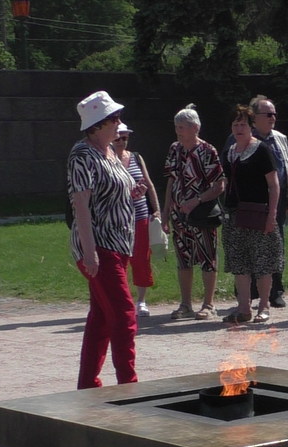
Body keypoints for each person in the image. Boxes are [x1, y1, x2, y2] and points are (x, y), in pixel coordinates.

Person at [68, 90, 139, 389]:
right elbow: (81, 204)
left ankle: (87, 386)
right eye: (115, 118)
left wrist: (132, 191)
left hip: (119, 244)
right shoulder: (82, 155)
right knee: (124, 315)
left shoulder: (109, 152)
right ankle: (129, 385)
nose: (120, 124)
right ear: (97, 124)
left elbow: (113, 189)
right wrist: (90, 252)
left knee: (101, 318)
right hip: (99, 246)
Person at [220, 104, 282, 324]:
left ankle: (264, 306)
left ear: (251, 126)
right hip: (234, 215)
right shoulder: (229, 152)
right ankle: (244, 308)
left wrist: (271, 215)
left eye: (243, 124)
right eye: (235, 125)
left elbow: (273, 185)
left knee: (263, 262)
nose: (239, 129)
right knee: (240, 263)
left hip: (258, 214)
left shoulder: (262, 150)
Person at [162, 104, 224, 321]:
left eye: (182, 127)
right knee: (183, 258)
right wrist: (166, 210)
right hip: (179, 215)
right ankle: (185, 304)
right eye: (176, 127)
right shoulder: (174, 149)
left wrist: (196, 200)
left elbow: (219, 185)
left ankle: (208, 304)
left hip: (202, 214)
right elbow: (171, 180)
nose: (178, 131)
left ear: (195, 128)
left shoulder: (208, 151)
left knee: (208, 256)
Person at [250, 95, 288, 309]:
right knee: (251, 244)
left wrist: (287, 198)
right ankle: (251, 292)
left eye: (275, 114)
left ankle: (275, 291)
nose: (273, 118)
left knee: (276, 245)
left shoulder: (280, 139)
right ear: (254, 117)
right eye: (268, 114)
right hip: (252, 200)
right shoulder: (242, 137)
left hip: (277, 200)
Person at [113, 123, 161, 318]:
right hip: (117, 219)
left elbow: (149, 184)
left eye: (125, 138)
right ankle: (120, 301)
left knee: (141, 258)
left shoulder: (136, 157)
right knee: (118, 261)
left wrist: (156, 210)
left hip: (140, 216)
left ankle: (141, 301)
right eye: (118, 138)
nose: (121, 142)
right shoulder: (105, 159)